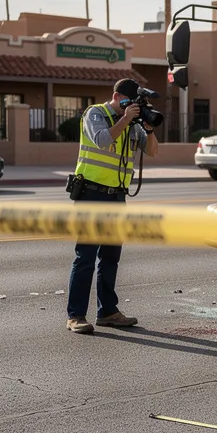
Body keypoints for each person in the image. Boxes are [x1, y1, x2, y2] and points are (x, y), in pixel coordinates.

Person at [65, 78, 159, 334]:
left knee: (110, 258)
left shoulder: (131, 124)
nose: (131, 108)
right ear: (117, 97)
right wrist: (126, 119)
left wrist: (149, 129)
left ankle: (108, 312)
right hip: (91, 196)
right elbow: (103, 140)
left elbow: (152, 152)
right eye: (128, 103)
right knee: (85, 257)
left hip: (117, 197)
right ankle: (75, 316)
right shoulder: (95, 113)